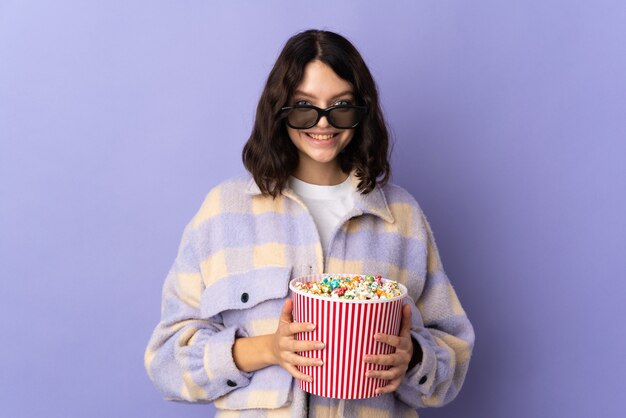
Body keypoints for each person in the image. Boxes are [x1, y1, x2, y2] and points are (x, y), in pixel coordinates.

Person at [144, 29, 475, 417]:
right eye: (304, 106)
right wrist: (266, 349)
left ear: (362, 110)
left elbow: (453, 355)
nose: (323, 123)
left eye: (342, 106)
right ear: (279, 109)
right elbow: (166, 361)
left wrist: (414, 357)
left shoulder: (401, 216)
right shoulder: (223, 211)